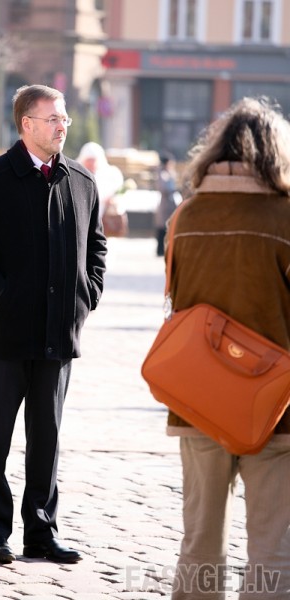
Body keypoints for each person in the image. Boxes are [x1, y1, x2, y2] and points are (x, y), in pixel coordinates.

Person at [0, 84, 107, 565]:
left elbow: (96, 248)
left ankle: (41, 532)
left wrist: (87, 296)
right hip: (5, 335)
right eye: (53, 119)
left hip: (59, 335)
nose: (63, 126)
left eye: (64, 118)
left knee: (48, 439)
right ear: (27, 124)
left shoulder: (81, 181)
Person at [165, 97, 290, 599]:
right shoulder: (285, 218)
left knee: (199, 543)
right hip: (275, 406)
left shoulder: (186, 216)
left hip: (199, 401)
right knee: (273, 547)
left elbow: (177, 298)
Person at [76, 141, 124, 217]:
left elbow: (120, 198)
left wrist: (113, 200)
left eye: (93, 160)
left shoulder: (112, 175)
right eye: (89, 160)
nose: (91, 163)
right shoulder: (76, 176)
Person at [154, 152, 180, 256]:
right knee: (162, 227)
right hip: (165, 203)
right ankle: (160, 249)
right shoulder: (162, 174)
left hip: (171, 203)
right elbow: (164, 188)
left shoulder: (170, 173)